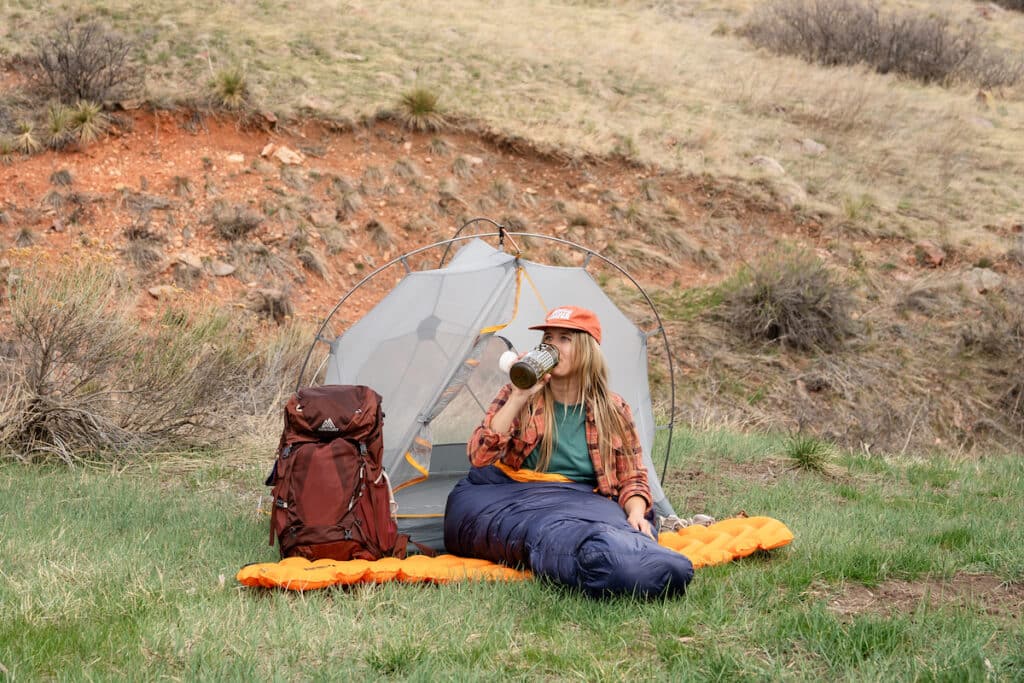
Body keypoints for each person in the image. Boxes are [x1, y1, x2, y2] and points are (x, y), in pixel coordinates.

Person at [443, 306, 694, 597]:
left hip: (579, 500)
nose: (552, 346)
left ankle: (628, 558)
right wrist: (519, 396)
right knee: (542, 531)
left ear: (587, 350)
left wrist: (637, 512)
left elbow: (633, 476)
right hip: (509, 492)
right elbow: (479, 456)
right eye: (548, 338)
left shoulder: (613, 409)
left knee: (611, 539)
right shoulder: (520, 394)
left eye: (564, 338)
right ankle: (607, 558)